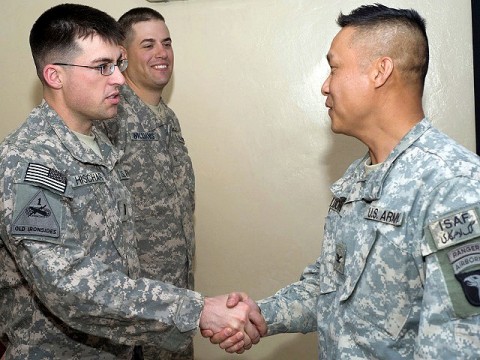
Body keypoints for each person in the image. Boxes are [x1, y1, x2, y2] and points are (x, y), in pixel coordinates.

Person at [206, 3, 480, 358]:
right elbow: (332, 284)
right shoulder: (357, 177)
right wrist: (262, 315)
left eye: (334, 68)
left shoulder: (453, 186)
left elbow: (458, 344)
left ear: (380, 71)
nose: (325, 86)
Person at [0, 4, 265, 359]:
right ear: (54, 76)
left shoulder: (100, 146)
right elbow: (66, 284)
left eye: (118, 64)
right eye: (102, 67)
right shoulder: (31, 160)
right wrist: (195, 310)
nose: (120, 80)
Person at [97, 8, 195, 359]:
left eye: (166, 43)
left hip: (177, 301)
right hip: (135, 309)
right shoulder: (110, 117)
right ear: (123, 56)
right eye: (148, 44)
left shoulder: (168, 119)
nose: (161, 53)